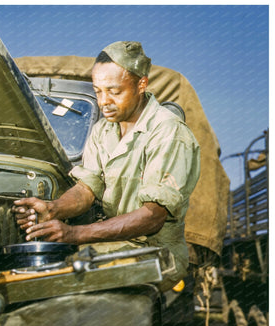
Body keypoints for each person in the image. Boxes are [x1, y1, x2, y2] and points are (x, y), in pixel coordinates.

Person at [12, 41, 200, 291]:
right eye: (98, 91)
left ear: (141, 85)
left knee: (63, 283)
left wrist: (73, 234)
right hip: (115, 244)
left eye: (114, 91)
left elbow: (153, 217)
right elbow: (87, 188)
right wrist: (53, 208)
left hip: (156, 253)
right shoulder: (104, 130)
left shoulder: (168, 132)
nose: (103, 102)